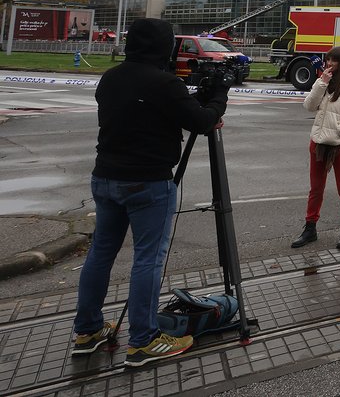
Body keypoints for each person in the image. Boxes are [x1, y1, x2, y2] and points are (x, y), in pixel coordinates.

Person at [72, 18, 227, 366]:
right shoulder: (164, 83)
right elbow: (201, 122)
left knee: (100, 253)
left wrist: (193, 98)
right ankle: (142, 340)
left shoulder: (111, 78)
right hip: (148, 182)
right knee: (147, 259)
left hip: (105, 178)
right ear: (163, 46)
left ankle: (88, 330)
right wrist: (219, 97)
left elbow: (154, 109)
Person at [292, 47, 340, 250]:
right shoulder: (325, 80)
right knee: (316, 188)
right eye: (328, 60)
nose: (329, 64)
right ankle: (310, 228)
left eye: (333, 61)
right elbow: (308, 106)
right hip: (318, 141)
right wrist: (321, 82)